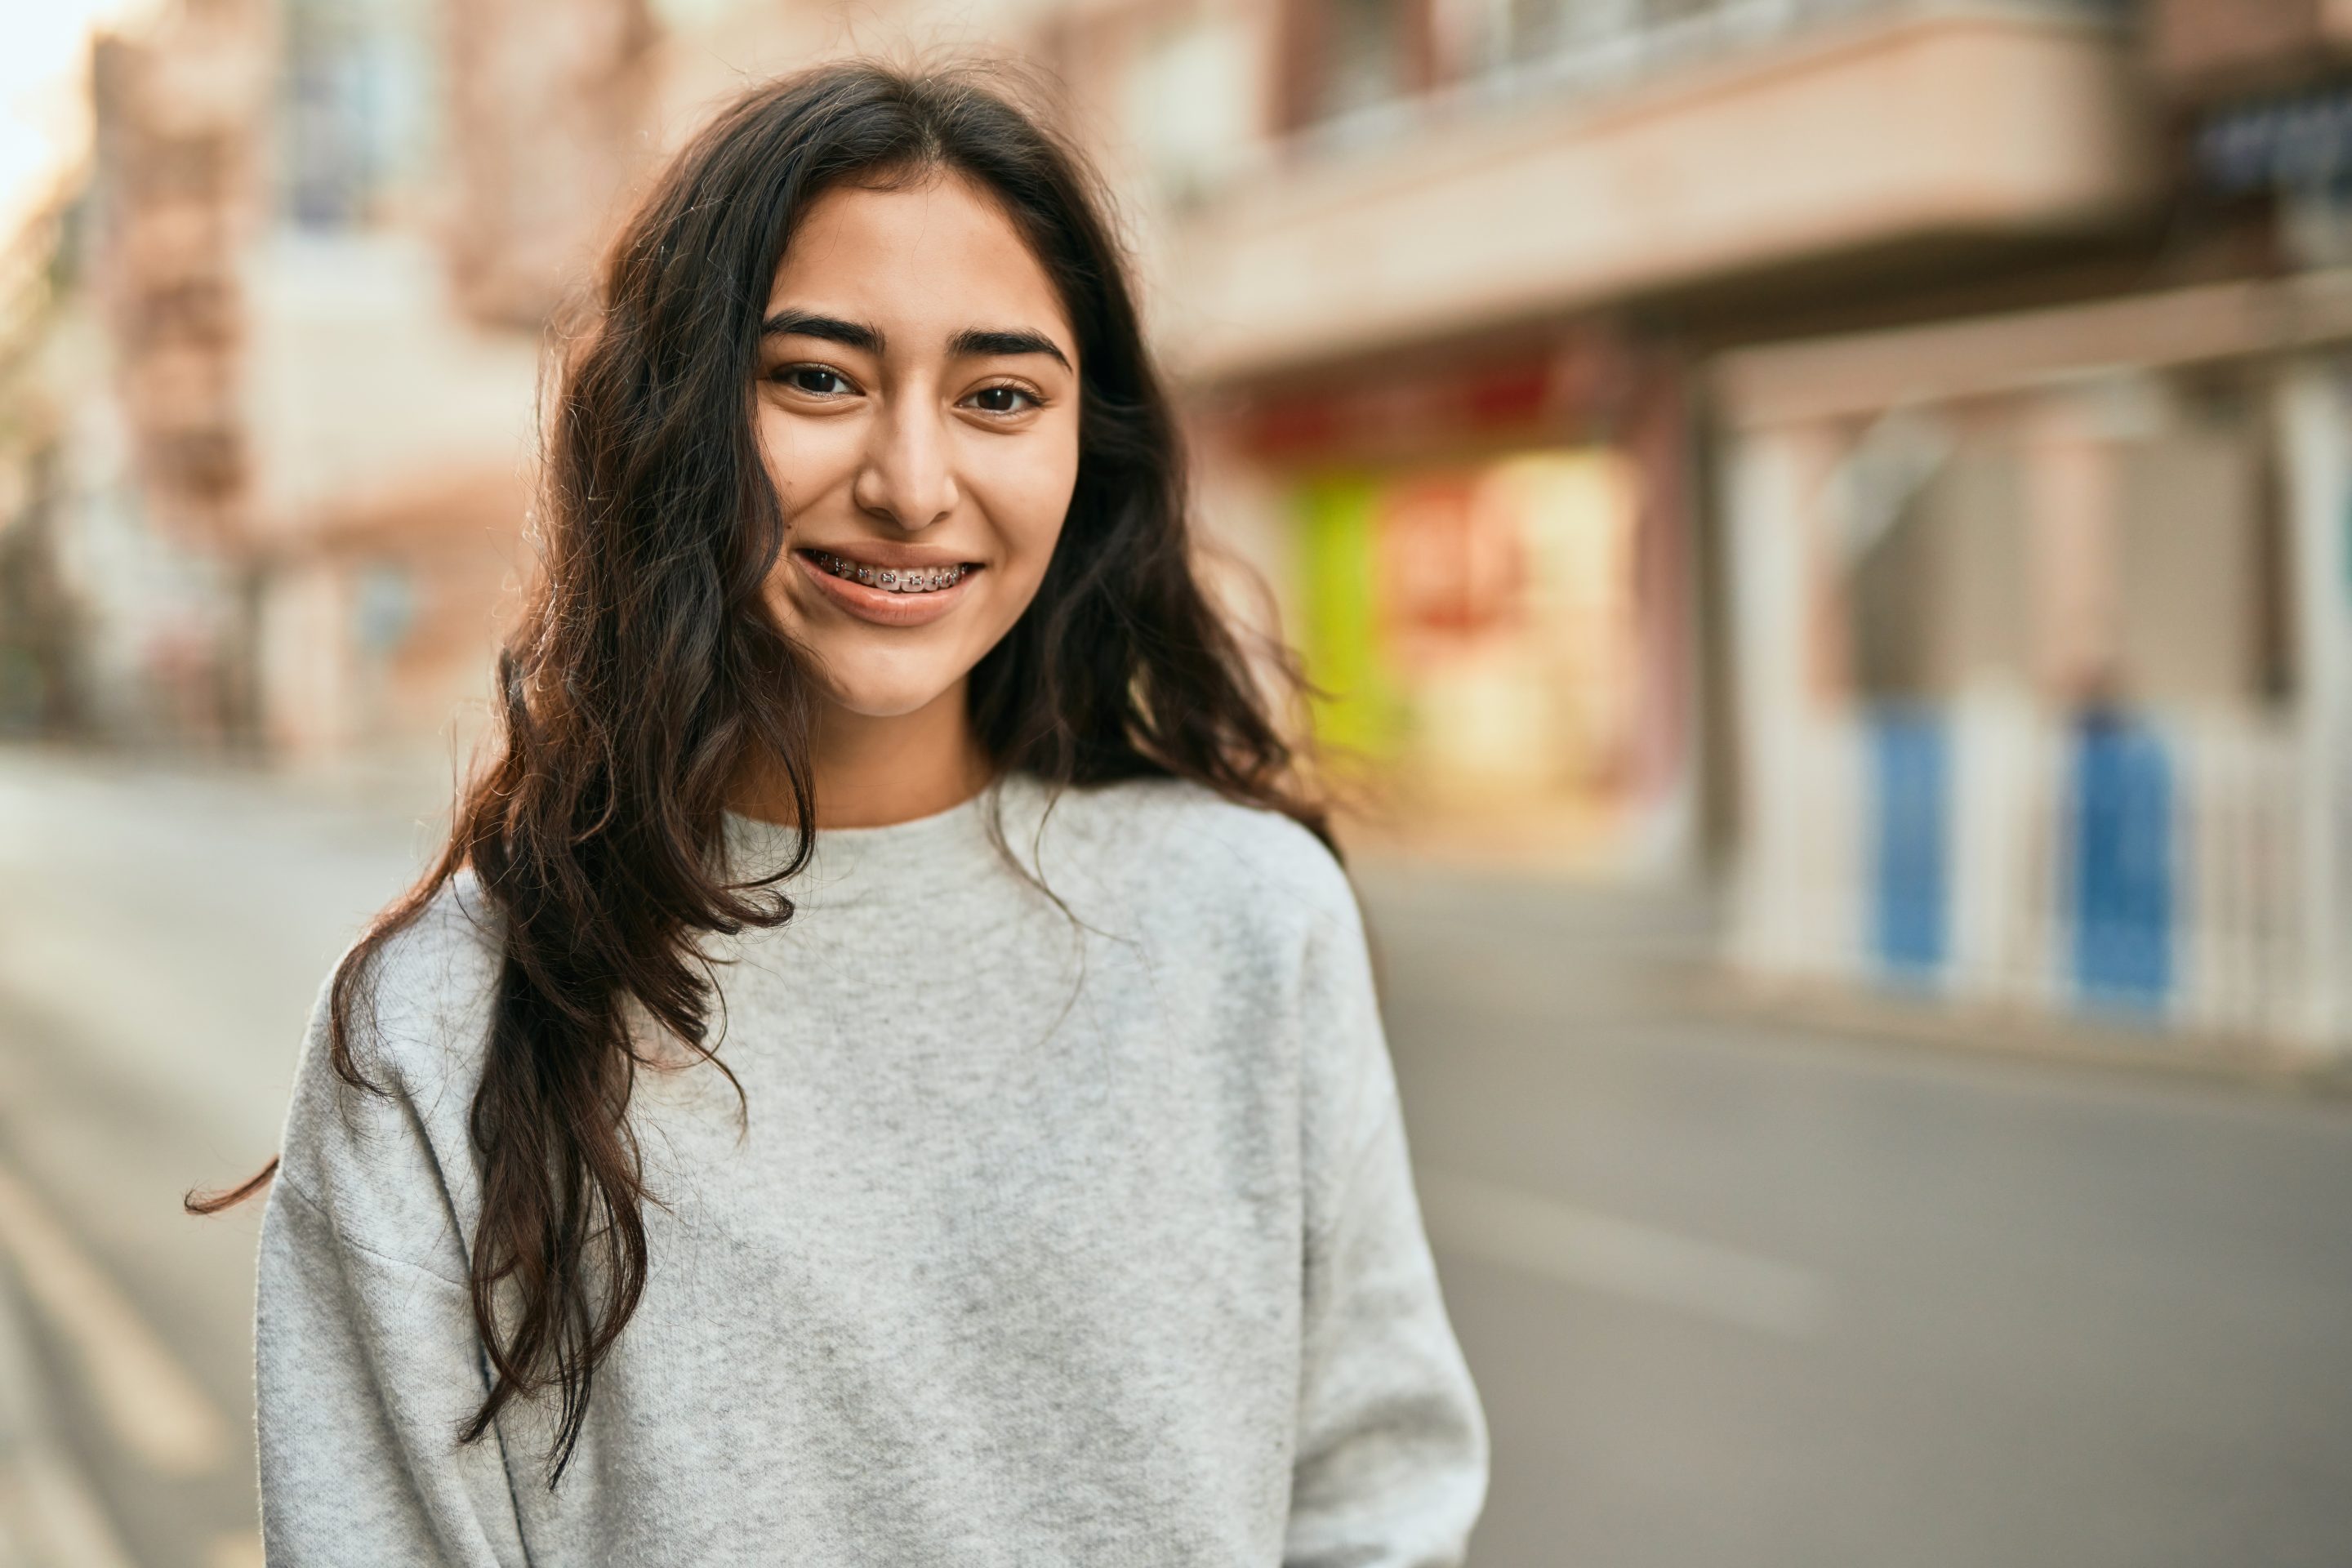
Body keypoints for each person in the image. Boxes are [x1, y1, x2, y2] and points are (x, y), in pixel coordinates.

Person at [196, 60, 1488, 1566]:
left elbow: (1374, 1501)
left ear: (1090, 447)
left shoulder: (1252, 916)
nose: (912, 481)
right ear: (673, 416)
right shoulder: (444, 1020)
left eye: (1000, 396)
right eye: (817, 377)